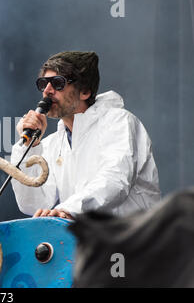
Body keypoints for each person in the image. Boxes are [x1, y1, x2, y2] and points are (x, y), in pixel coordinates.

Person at [12, 51, 161, 220]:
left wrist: (67, 209)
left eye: (58, 83)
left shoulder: (118, 121)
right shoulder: (53, 144)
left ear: (85, 92)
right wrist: (29, 148)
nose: (47, 90)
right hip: (89, 244)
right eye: (43, 83)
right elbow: (32, 204)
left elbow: (115, 180)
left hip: (133, 242)